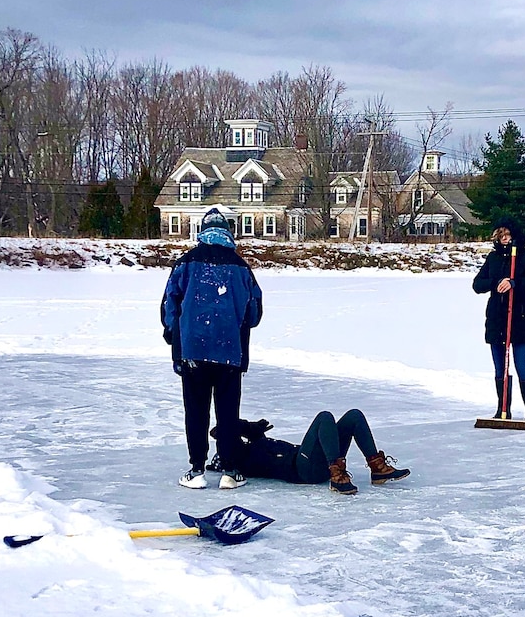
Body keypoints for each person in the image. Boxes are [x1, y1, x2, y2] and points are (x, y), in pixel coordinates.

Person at [161, 207, 263, 490]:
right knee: (228, 411)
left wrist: (174, 335)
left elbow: (170, 306)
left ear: (203, 231)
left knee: (196, 409)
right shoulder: (241, 267)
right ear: (228, 232)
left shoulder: (185, 263)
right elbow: (253, 312)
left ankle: (196, 470)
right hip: (230, 351)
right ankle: (230, 470)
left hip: (193, 350)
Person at [221, 411, 410, 496]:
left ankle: (377, 468)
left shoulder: (255, 444)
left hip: (315, 462)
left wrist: (255, 430)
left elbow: (244, 432)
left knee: (354, 416)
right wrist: (244, 428)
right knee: (324, 417)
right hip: (302, 470)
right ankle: (337, 476)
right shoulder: (239, 458)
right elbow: (223, 431)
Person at [471, 219, 525, 425]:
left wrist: (515, 283)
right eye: (501, 236)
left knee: (522, 365)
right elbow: (477, 284)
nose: (504, 240)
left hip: (520, 318)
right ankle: (502, 409)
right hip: (497, 319)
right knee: (499, 368)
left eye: (508, 236)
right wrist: (496, 283)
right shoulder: (494, 258)